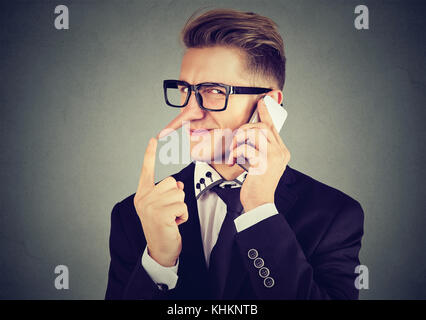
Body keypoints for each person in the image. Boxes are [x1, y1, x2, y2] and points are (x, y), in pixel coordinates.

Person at [105, 9, 364, 300]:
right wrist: (159, 263)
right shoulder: (136, 215)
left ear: (269, 104)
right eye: (183, 90)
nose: (189, 112)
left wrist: (260, 210)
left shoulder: (333, 215)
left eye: (214, 90)